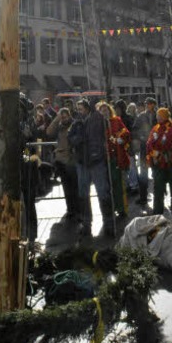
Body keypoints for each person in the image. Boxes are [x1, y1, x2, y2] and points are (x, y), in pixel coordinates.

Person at [67, 98, 115, 238]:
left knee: (104, 193)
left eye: (81, 108)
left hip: (97, 160)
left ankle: (109, 224)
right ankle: (87, 224)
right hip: (82, 162)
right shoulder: (77, 122)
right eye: (78, 109)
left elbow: (108, 128)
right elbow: (70, 138)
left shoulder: (98, 118)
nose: (79, 111)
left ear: (87, 108)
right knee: (83, 195)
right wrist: (79, 138)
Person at [146, 107, 172, 221]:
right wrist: (153, 153)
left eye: (160, 115)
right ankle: (157, 214)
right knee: (158, 189)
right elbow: (149, 144)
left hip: (171, 163)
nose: (157, 117)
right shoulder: (155, 128)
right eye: (157, 115)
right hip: (159, 164)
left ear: (165, 116)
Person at [46, 106, 80, 220]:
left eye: (65, 116)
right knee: (66, 187)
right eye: (62, 117)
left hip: (72, 159)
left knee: (75, 186)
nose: (64, 119)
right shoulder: (59, 126)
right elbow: (49, 132)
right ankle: (70, 209)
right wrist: (56, 118)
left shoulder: (74, 124)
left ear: (69, 116)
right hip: (61, 160)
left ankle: (78, 210)